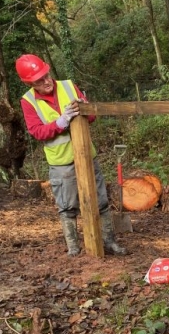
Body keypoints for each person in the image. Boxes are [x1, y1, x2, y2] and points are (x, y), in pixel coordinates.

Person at [16, 54, 126, 257]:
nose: (46, 81)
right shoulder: (28, 101)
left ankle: (109, 242)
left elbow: (91, 116)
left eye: (46, 75)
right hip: (61, 163)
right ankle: (74, 248)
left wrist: (84, 106)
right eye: (39, 80)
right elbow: (37, 131)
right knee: (67, 207)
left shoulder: (67, 86)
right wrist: (60, 122)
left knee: (101, 201)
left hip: (87, 155)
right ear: (30, 83)